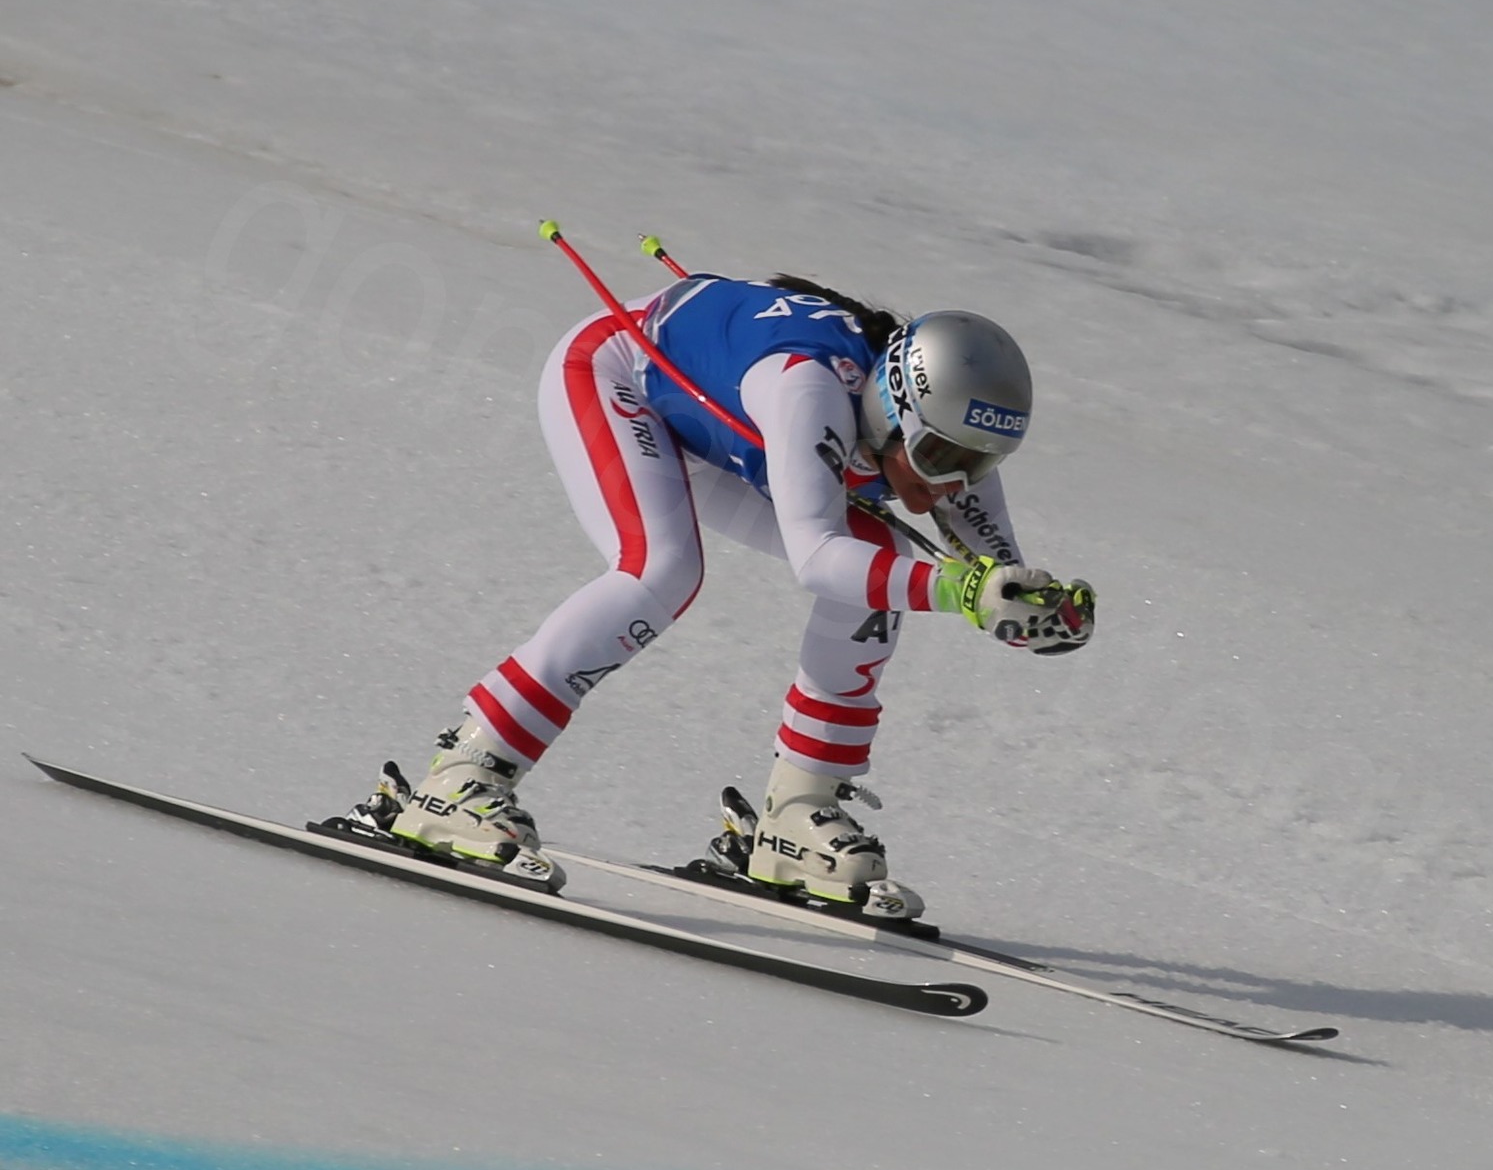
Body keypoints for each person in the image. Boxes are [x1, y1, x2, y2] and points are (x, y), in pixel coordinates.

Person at [349, 270, 1094, 920]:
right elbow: (819, 558)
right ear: (894, 407)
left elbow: (995, 577)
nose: (949, 484)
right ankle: (463, 776)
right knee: (659, 571)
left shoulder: (934, 427)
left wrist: (1033, 614)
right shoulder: (809, 390)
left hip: (718, 425)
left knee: (887, 566)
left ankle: (797, 815)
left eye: (980, 464)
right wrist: (967, 592)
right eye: (937, 456)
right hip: (617, 379)